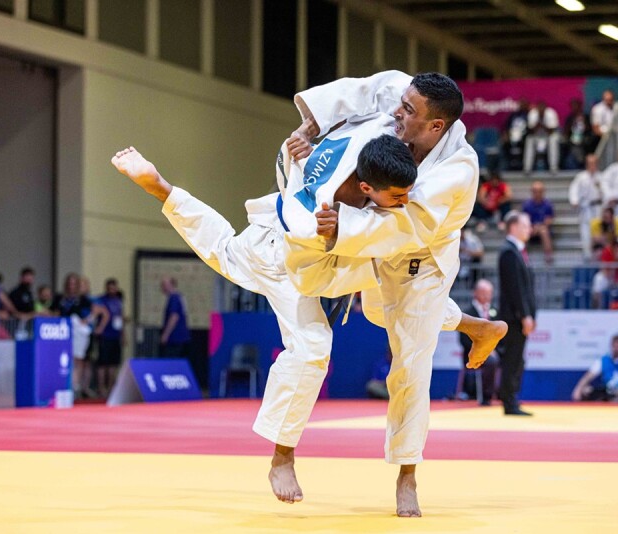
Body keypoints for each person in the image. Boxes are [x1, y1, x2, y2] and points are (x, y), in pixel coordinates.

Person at [114, 125, 505, 516]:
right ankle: (282, 457)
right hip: (285, 259)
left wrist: (302, 137)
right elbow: (305, 267)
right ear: (367, 188)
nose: (405, 203)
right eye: (398, 197)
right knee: (312, 343)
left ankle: (473, 325)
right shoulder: (313, 216)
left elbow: (324, 134)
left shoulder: (367, 143)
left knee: (399, 294)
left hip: (314, 247)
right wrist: (332, 224)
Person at [290, 71, 509, 516]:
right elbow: (367, 89)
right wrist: (310, 127)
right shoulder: (402, 96)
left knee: (410, 363)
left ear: (436, 126)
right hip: (375, 240)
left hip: (421, 262)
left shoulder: (458, 169)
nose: (397, 112)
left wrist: (345, 225)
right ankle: (476, 326)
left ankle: (407, 473)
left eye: (409, 111)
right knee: (377, 312)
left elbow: (404, 224)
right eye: (404, 103)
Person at [497, 211, 536, 416]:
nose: (529, 229)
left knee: (518, 359)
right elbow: (515, 288)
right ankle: (509, 401)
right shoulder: (509, 252)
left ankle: (512, 399)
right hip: (513, 317)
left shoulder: (517, 252)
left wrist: (530, 314)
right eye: (525, 225)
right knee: (512, 358)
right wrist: (524, 314)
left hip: (518, 316)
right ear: (513, 227)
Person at [51, 273, 107, 398]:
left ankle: (75, 386)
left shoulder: (83, 299)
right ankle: (62, 384)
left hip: (78, 333)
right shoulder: (60, 298)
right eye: (69, 283)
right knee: (63, 358)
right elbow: (54, 312)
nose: (71, 286)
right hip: (62, 330)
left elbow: (99, 311)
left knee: (78, 359)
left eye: (74, 284)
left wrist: (87, 321)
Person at [459, 279, 499, 406]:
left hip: (494, 352)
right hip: (472, 353)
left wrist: (493, 349)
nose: (486, 296)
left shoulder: (495, 311)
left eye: (489, 293)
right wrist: (483, 349)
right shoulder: (467, 313)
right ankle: (487, 397)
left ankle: (506, 395)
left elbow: (500, 335)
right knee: (491, 361)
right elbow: (464, 340)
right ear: (475, 293)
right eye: (483, 293)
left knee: (512, 358)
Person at [569, 154, 603, 257]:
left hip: (598, 208)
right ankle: (588, 258)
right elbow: (573, 189)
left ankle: (599, 260)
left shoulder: (601, 177)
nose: (592, 165)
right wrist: (574, 200)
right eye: (590, 163)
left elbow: (607, 192)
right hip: (586, 209)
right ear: (586, 164)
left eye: (594, 163)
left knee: (599, 237)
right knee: (586, 237)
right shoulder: (581, 177)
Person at [96, 278, 124, 398]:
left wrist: (123, 334)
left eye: (114, 288)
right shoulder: (101, 300)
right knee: (103, 363)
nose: (112, 290)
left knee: (113, 363)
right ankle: (101, 387)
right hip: (105, 335)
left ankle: (111, 386)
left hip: (115, 335)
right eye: (110, 288)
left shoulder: (119, 301)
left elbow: (120, 318)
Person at [522, 181, 555, 263]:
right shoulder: (527, 205)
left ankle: (548, 255)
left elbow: (549, 220)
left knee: (544, 231)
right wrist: (532, 227)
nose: (537, 193)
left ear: (543, 192)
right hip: (530, 229)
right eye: (535, 191)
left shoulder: (548, 205)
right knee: (522, 232)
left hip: (542, 229)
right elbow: (524, 220)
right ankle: (522, 256)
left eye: (539, 191)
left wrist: (539, 227)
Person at [523, 100, 560, 173]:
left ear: (545, 108)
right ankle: (527, 168)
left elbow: (552, 131)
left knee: (553, 139)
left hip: (548, 136)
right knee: (529, 139)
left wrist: (543, 125)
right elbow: (531, 131)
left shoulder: (551, 113)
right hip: (536, 136)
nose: (541, 110)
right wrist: (538, 122)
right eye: (539, 108)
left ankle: (553, 167)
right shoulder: (533, 113)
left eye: (542, 108)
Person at [158, 277, 191, 358]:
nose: (162, 287)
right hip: (180, 336)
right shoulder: (180, 297)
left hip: (174, 337)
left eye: (164, 285)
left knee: (171, 359)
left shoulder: (174, 298)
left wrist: (165, 335)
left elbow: (174, 317)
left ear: (171, 285)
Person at [563, 98, 592, 169]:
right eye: (573, 106)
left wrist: (583, 122)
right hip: (572, 141)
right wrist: (573, 123)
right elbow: (566, 132)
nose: (575, 108)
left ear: (580, 106)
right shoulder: (570, 118)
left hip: (584, 141)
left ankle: (581, 162)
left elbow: (590, 130)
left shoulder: (586, 117)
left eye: (576, 105)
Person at [503, 98, 530, 170]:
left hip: (524, 137)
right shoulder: (514, 115)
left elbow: (530, 128)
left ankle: (523, 166)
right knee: (504, 145)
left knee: (527, 143)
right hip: (512, 135)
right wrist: (506, 135)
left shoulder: (529, 115)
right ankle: (506, 166)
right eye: (521, 104)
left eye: (524, 104)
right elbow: (506, 127)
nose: (522, 106)